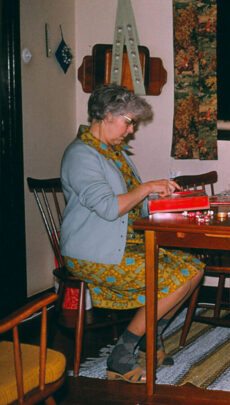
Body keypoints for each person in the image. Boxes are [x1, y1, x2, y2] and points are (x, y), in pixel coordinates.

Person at [60, 84, 204, 383]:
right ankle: (122, 353)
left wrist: (170, 199)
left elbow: (135, 202)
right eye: (128, 121)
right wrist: (146, 188)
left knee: (195, 269)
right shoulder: (81, 155)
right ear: (107, 115)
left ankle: (149, 340)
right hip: (93, 253)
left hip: (125, 244)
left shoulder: (113, 153)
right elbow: (110, 208)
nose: (131, 130)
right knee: (175, 279)